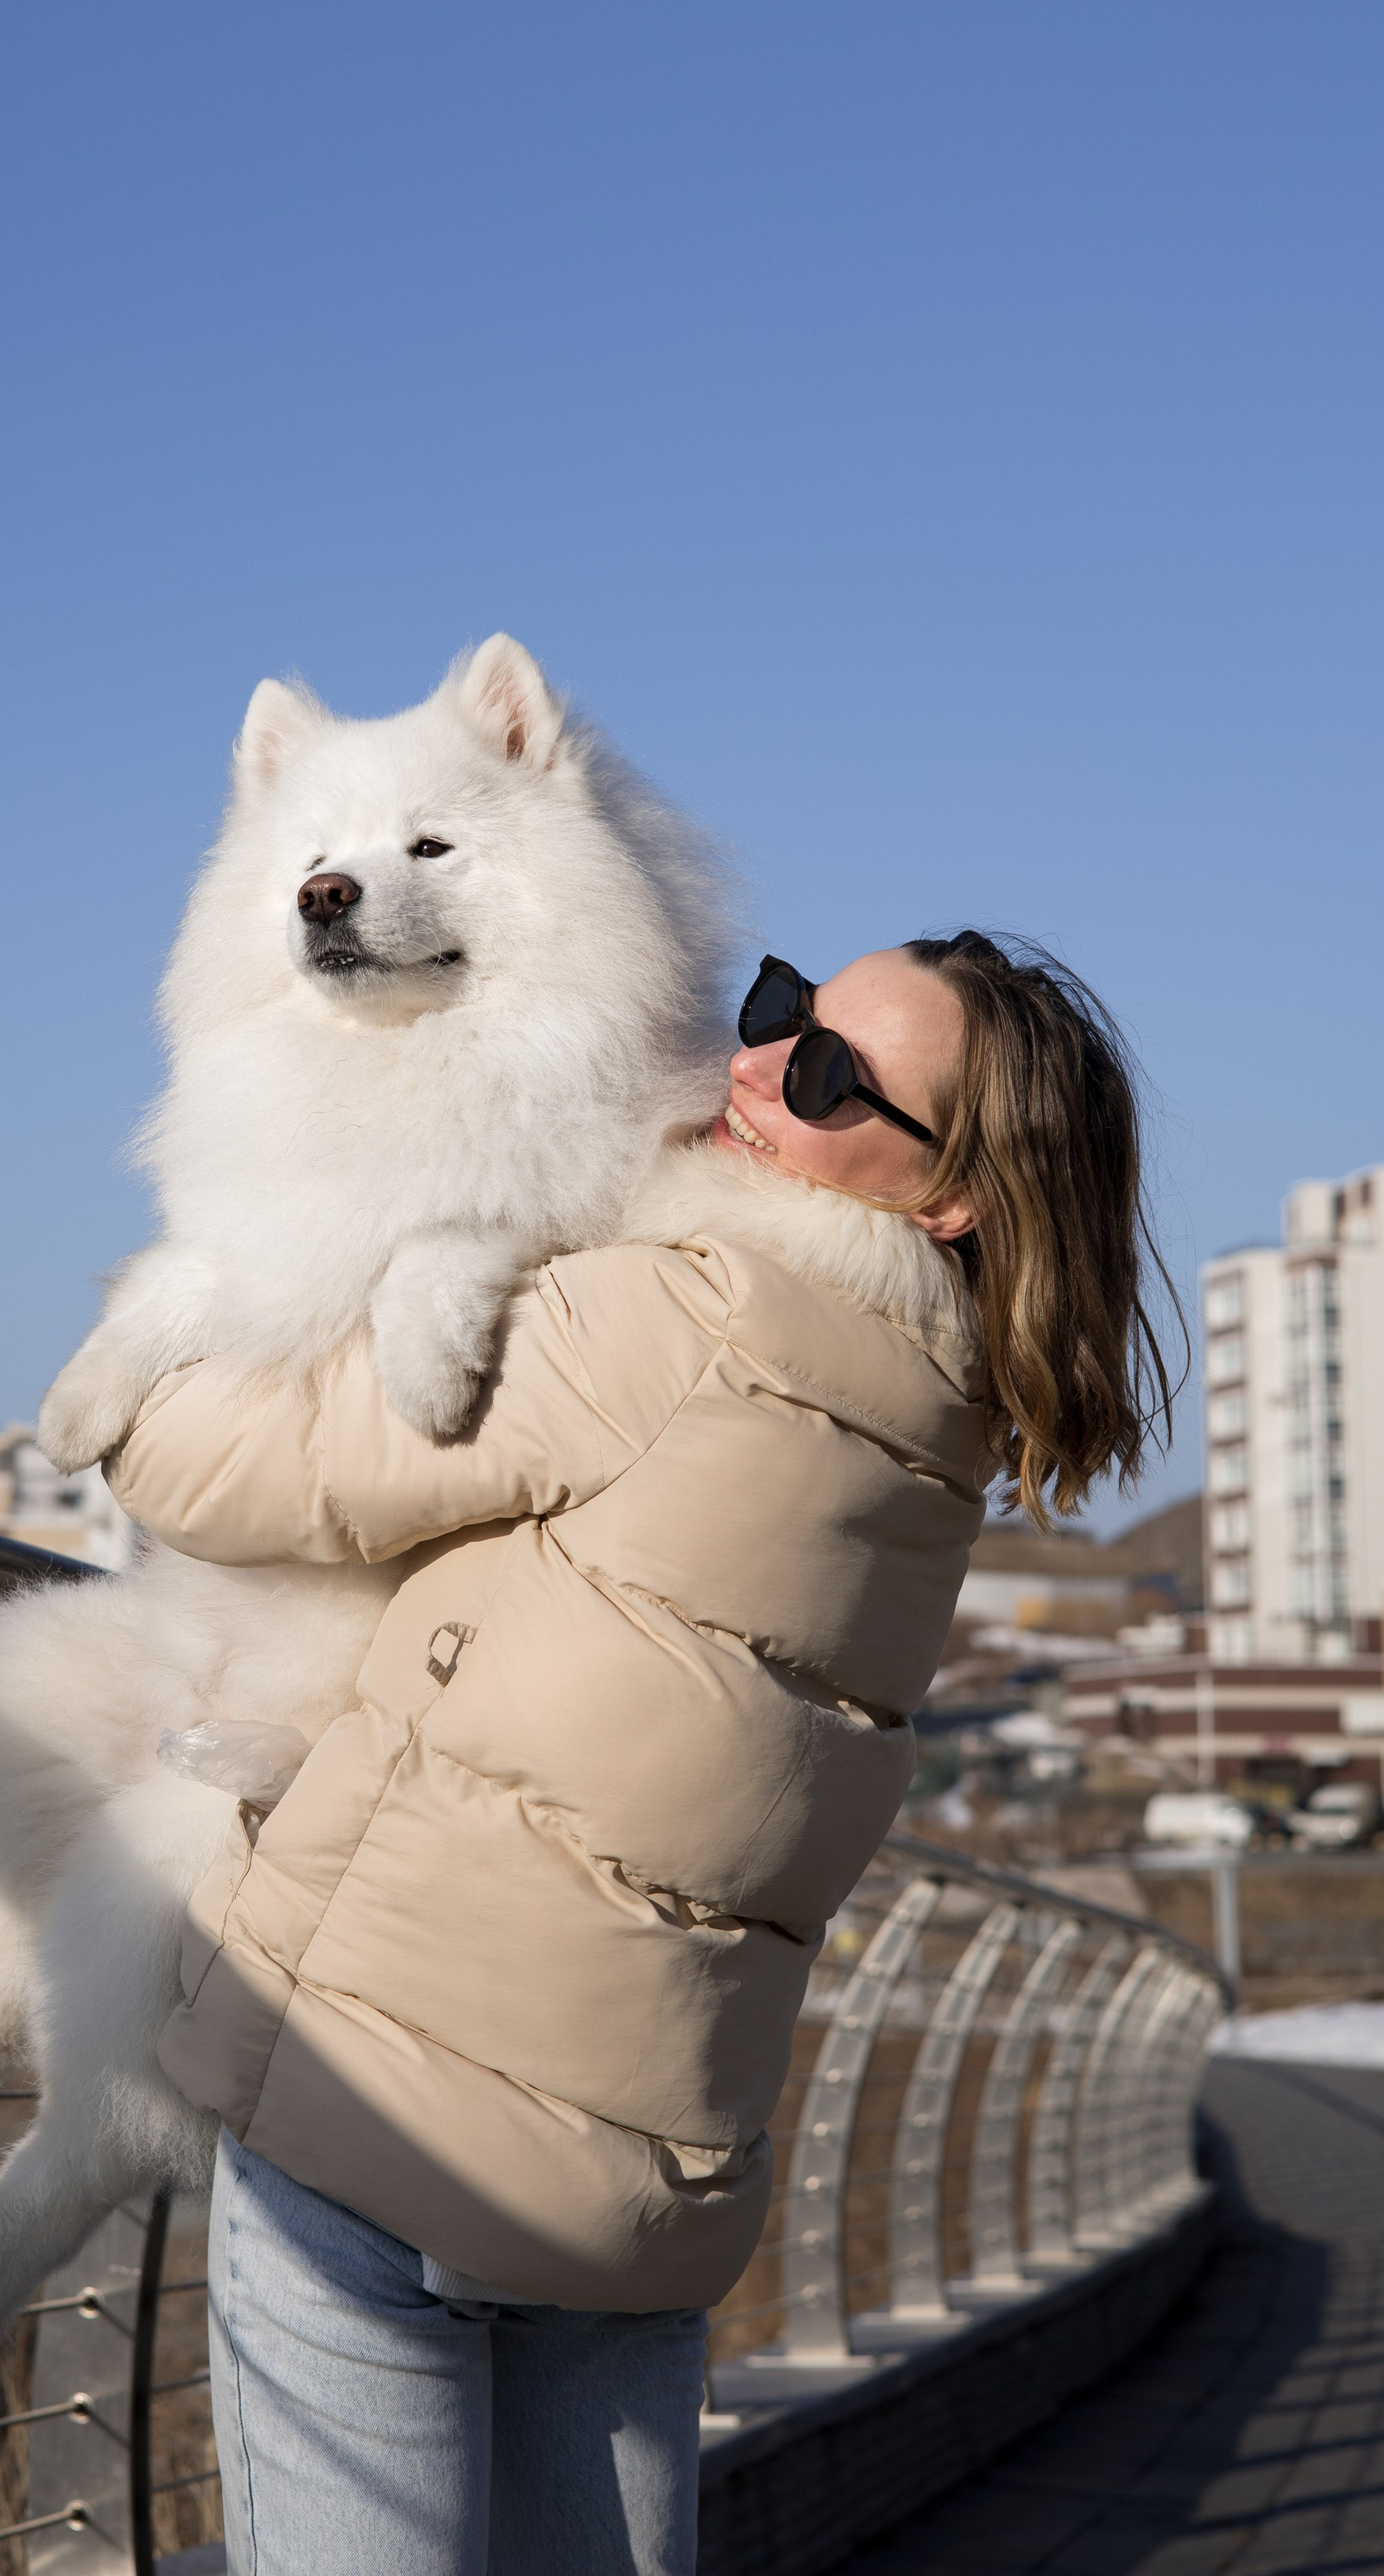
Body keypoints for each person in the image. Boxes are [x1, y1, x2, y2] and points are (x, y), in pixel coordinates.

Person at [105, 930, 1180, 2576]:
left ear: (946, 1195)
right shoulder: (939, 1430)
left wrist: (171, 1314)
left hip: (380, 2087)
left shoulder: (689, 1308)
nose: (751, 1070)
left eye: (825, 1079)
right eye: (776, 1012)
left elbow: (214, 1471)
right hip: (649, 2162)